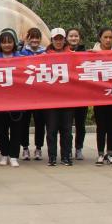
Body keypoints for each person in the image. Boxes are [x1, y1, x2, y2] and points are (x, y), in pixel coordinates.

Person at [0, 31, 25, 167]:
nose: (7, 45)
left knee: (16, 129)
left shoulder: (22, 58)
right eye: (4, 42)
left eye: (9, 42)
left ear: (14, 43)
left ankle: (14, 155)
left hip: (17, 100)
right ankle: (4, 154)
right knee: (0, 130)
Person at [44, 28, 75, 166]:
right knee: (51, 130)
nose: (58, 41)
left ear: (64, 40)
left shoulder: (73, 55)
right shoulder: (44, 56)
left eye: (60, 39)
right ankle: (52, 156)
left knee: (67, 130)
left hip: (68, 99)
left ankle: (66, 155)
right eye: (55, 39)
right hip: (51, 100)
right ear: (51, 40)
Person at [92, 27, 112, 166]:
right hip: (99, 96)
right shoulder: (92, 54)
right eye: (105, 37)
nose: (108, 40)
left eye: (110, 37)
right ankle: (100, 153)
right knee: (101, 126)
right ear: (100, 38)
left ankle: (111, 153)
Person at [19, 27, 46, 160]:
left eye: (37, 37)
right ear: (28, 39)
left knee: (40, 122)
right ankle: (25, 148)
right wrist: (21, 43)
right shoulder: (21, 53)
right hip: (25, 94)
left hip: (40, 95)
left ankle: (38, 148)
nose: (34, 40)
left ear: (40, 39)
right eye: (32, 37)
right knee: (24, 123)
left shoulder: (45, 53)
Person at [66, 28, 88, 160]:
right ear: (66, 38)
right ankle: (68, 149)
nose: (73, 38)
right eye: (71, 36)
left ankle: (79, 148)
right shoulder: (61, 53)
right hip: (67, 96)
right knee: (67, 125)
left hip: (82, 96)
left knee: (81, 124)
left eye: (76, 36)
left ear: (79, 38)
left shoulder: (86, 52)